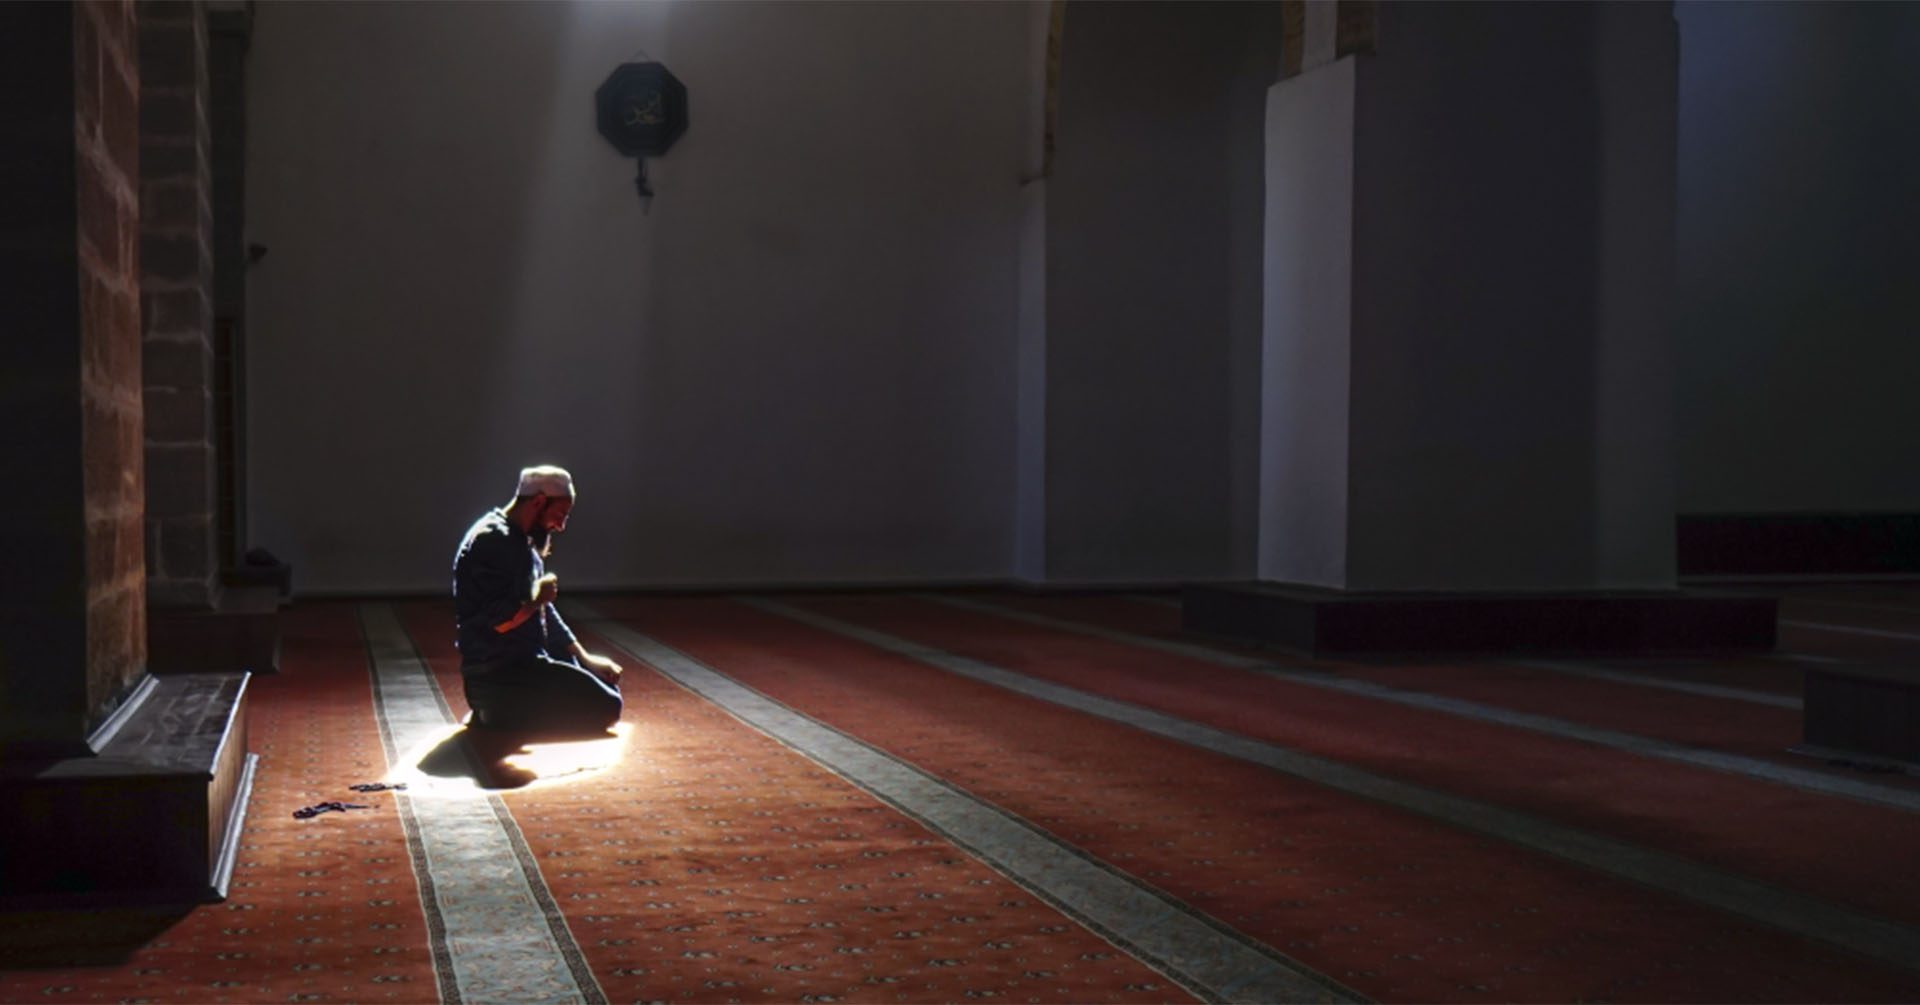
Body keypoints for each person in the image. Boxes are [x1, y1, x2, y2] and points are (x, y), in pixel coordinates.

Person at [452, 465, 623, 736]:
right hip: (498, 674)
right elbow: (500, 622)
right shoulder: (493, 541)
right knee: (608, 706)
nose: (561, 526)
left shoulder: (519, 540)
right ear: (539, 502)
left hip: (525, 663)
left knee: (603, 682)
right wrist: (536, 600)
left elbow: (543, 611)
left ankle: (505, 711)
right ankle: (495, 710)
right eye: (560, 514)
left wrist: (586, 659)